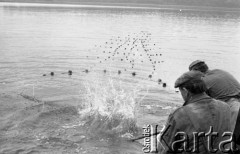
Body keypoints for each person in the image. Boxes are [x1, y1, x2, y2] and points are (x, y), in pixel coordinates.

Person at [158, 71, 232, 154]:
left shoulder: (179, 114)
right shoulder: (225, 107)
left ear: (185, 90)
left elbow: (165, 149)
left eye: (181, 91)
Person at [189, 60, 240, 142]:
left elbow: (199, 103)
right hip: (237, 101)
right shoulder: (220, 71)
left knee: (227, 141)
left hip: (232, 108)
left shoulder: (203, 81)